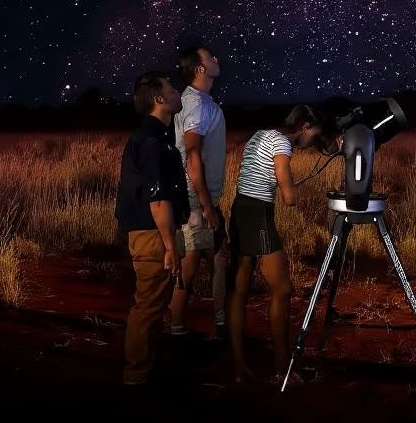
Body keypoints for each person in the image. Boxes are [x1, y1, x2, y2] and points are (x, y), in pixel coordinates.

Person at [227, 104, 327, 383]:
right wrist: (293, 189)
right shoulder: (283, 142)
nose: (312, 142)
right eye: (314, 135)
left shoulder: (262, 134)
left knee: (238, 290)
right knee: (283, 289)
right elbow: (289, 197)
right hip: (258, 214)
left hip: (240, 210)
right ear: (305, 126)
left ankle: (239, 367)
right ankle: (282, 369)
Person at [114, 71, 190, 386]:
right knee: (147, 305)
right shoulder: (151, 141)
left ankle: (145, 369)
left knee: (155, 302)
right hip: (152, 234)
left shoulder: (155, 136)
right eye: (172, 90)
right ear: (159, 100)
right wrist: (170, 246)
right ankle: (136, 376)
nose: (178, 92)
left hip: (153, 232)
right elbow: (157, 198)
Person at [169, 45, 229, 339]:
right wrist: (205, 204)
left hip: (198, 197)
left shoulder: (196, 101)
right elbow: (191, 153)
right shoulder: (198, 105)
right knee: (192, 263)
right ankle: (178, 328)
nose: (217, 59)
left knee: (216, 256)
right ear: (200, 69)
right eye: (211, 57)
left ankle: (217, 322)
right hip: (197, 199)